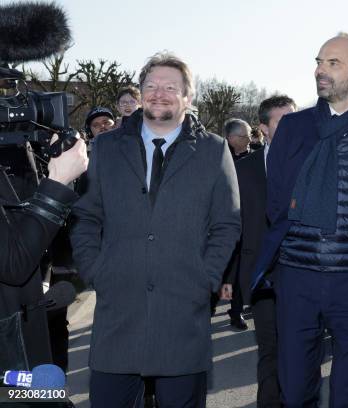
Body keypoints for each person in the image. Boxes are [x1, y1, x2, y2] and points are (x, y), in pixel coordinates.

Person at [70, 51, 241, 407]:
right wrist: (95, 270)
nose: (159, 93)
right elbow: (86, 216)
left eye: (170, 87)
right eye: (151, 85)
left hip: (183, 314)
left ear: (187, 98)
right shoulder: (105, 147)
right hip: (118, 313)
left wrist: (206, 278)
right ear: (141, 91)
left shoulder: (213, 149)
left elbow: (226, 223)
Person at [252, 33, 348, 407]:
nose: (320, 70)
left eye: (333, 63)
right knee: (293, 387)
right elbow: (275, 205)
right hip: (296, 278)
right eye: (319, 61)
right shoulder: (293, 127)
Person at [223, 94, 296, 407]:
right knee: (270, 348)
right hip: (261, 276)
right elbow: (231, 227)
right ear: (263, 128)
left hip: (304, 274)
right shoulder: (242, 170)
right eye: (282, 120)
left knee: (299, 351)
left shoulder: (312, 163)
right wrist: (226, 276)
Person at [0, 134, 88, 370]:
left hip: (29, 332)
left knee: (46, 389)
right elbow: (13, 264)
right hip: (10, 366)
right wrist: (58, 182)